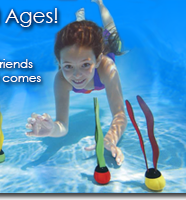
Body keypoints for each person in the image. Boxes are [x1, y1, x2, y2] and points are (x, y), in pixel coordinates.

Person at [25, 0, 127, 166]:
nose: (76, 75)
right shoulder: (61, 80)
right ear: (59, 62)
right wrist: (51, 129)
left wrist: (111, 138)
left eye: (85, 65)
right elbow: (62, 126)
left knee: (111, 32)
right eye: (68, 66)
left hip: (104, 47)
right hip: (84, 53)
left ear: (98, 59)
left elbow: (120, 114)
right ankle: (80, 19)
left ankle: (100, 3)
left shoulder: (107, 68)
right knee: (80, 35)